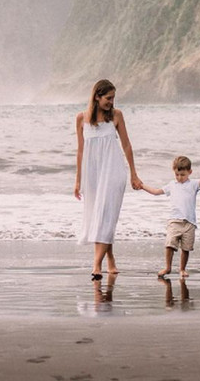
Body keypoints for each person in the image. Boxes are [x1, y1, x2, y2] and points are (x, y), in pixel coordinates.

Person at [74, 79, 142, 280]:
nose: (111, 102)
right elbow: (80, 151)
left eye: (113, 98)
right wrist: (78, 180)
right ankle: (110, 258)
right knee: (100, 217)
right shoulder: (81, 118)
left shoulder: (117, 116)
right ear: (97, 96)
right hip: (92, 174)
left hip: (114, 171)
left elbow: (127, 146)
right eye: (108, 98)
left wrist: (134, 174)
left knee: (106, 214)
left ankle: (96, 265)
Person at [140, 155, 200, 279]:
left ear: (190, 172)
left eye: (182, 175)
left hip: (189, 222)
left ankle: (182, 269)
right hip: (174, 220)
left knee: (186, 248)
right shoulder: (172, 185)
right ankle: (167, 267)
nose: (179, 178)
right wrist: (142, 186)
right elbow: (156, 192)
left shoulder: (193, 184)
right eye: (177, 175)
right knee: (169, 245)